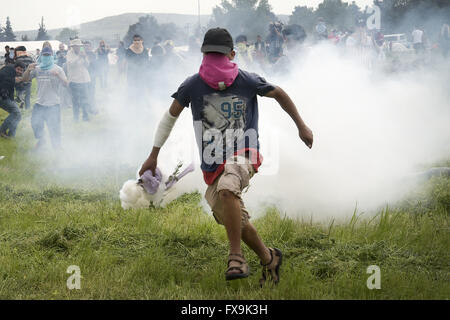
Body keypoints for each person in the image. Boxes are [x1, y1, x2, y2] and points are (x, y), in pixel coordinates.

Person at [139, 28, 314, 284]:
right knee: (233, 218)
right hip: (212, 161)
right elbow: (170, 117)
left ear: (232, 55)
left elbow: (278, 93)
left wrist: (301, 125)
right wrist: (153, 155)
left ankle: (236, 256)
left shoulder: (247, 80)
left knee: (228, 187)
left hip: (245, 153)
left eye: (220, 55)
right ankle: (270, 259)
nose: (215, 60)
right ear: (202, 55)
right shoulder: (192, 85)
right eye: (210, 54)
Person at [22, 46, 68, 150]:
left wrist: (58, 76)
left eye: (48, 55)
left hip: (53, 104)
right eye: (44, 55)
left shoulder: (58, 69)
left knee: (54, 129)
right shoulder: (37, 68)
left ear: (52, 55)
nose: (46, 57)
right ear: (41, 56)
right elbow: (25, 80)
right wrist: (28, 70)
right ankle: (41, 139)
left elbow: (66, 84)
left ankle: (57, 148)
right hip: (40, 103)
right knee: (35, 123)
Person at [66, 38, 91, 122]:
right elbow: (71, 64)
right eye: (76, 46)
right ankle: (76, 118)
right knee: (75, 100)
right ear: (73, 46)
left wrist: (84, 58)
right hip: (74, 80)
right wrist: (79, 57)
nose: (78, 47)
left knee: (85, 99)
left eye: (79, 46)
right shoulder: (69, 53)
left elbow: (87, 65)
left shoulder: (82, 52)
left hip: (84, 79)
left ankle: (85, 117)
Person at [0, 61, 25, 138]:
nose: (19, 71)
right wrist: (14, 80)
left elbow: (19, 87)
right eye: (18, 69)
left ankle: (11, 135)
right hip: (2, 96)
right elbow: (4, 78)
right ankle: (2, 130)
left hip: (8, 96)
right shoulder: (8, 69)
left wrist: (21, 98)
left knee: (18, 115)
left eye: (21, 70)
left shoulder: (15, 74)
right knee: (16, 113)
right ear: (14, 67)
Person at [125, 34, 149, 101]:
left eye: (138, 40)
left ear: (141, 41)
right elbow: (128, 60)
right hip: (132, 73)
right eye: (135, 40)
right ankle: (131, 102)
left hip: (141, 73)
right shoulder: (129, 50)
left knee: (141, 89)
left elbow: (146, 61)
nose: (137, 42)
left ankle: (141, 101)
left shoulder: (144, 50)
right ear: (133, 41)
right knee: (132, 88)